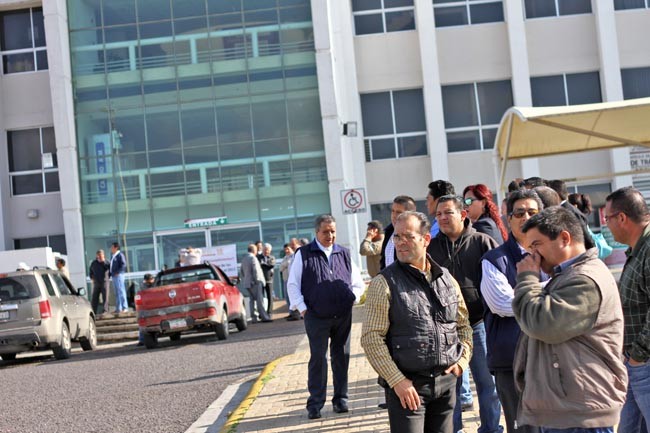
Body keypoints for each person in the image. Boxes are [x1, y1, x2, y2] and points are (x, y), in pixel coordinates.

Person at [513, 206, 627, 431]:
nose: (532, 255)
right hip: (569, 406)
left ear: (564, 238)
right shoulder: (568, 274)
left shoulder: (585, 279)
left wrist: (527, 279)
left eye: (537, 245)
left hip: (581, 411)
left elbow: (542, 323)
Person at [361, 211, 473, 433]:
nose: (401, 243)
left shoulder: (446, 279)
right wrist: (397, 381)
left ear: (426, 239)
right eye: (397, 237)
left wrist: (461, 362)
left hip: (446, 384)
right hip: (408, 388)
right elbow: (371, 338)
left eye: (408, 236)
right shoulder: (383, 283)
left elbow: (463, 326)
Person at [427, 195, 502, 433]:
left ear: (463, 214)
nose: (442, 218)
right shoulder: (431, 248)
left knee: (487, 384)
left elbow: (499, 280)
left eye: (447, 213)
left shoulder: (482, 242)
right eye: (438, 214)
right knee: (451, 388)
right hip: (446, 329)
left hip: (479, 324)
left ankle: (491, 428)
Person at [287, 215, 365, 420]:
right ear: (316, 233)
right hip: (316, 316)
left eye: (333, 231)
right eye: (325, 232)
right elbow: (293, 284)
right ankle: (315, 404)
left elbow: (358, 283)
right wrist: (303, 309)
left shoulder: (344, 253)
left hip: (342, 316)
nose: (330, 235)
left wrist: (352, 299)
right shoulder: (303, 254)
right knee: (318, 359)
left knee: (342, 357)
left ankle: (341, 400)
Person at [480, 189, 544, 433]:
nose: (525, 216)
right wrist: (550, 291)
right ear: (508, 219)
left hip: (553, 359)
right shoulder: (494, 260)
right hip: (512, 360)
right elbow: (503, 304)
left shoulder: (553, 255)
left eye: (532, 211)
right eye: (519, 212)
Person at [604, 186, 650, 433]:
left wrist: (639, 354)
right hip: (636, 363)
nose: (607, 225)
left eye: (607, 219)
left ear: (621, 218)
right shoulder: (638, 248)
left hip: (644, 362)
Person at [381, 195, 417, 270]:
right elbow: (384, 261)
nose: (394, 215)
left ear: (410, 215)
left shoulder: (416, 236)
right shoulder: (388, 232)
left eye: (398, 212)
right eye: (393, 211)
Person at [240, 244, 271, 323]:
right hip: (255, 282)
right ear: (254, 250)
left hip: (247, 283)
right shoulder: (253, 258)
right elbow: (255, 270)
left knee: (252, 300)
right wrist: (258, 280)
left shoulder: (244, 259)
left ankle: (254, 317)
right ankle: (264, 317)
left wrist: (245, 279)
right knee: (259, 300)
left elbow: (241, 271)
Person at [280, 243, 300, 321]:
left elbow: (288, 266)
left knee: (293, 297)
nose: (287, 251)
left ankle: (296, 314)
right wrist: (286, 263)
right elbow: (280, 268)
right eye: (285, 250)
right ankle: (291, 313)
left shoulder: (293, 256)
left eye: (288, 249)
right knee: (287, 297)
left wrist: (286, 264)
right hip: (286, 280)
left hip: (292, 280)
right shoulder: (285, 258)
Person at [137, 273, 156, 346]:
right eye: (148, 281)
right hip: (146, 308)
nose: (150, 282)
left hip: (155, 306)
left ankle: (142, 340)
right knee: (142, 323)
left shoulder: (156, 284)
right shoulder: (143, 286)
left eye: (151, 280)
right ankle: (141, 340)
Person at [89, 250, 110, 315]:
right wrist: (92, 277)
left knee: (105, 297)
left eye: (101, 255)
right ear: (97, 255)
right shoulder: (94, 263)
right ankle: (93, 311)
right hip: (96, 283)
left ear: (103, 255)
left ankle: (105, 311)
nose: (100, 257)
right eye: (98, 255)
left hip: (104, 282)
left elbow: (109, 269)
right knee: (94, 298)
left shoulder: (107, 262)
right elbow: (91, 271)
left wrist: (103, 262)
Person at [110, 242, 128, 314]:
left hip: (119, 275)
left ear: (116, 247)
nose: (111, 249)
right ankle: (118, 308)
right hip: (114, 276)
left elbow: (123, 265)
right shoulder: (113, 256)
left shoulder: (120, 255)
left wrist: (118, 272)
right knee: (117, 292)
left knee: (121, 291)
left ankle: (125, 307)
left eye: (112, 247)